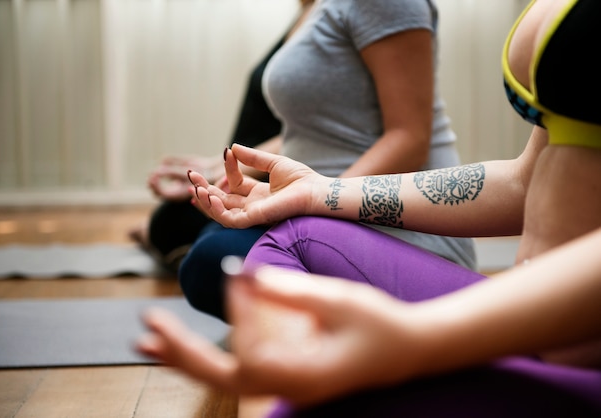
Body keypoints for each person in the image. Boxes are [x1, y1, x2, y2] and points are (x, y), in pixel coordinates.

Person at [137, 0, 601, 416]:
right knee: (288, 242)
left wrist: (418, 337)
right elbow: (525, 182)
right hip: (531, 329)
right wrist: (319, 193)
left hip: (573, 364)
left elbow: (410, 134)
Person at [179, 0, 476, 321]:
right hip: (326, 202)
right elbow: (311, 131)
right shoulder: (317, 7)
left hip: (399, 228)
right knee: (204, 234)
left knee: (213, 260)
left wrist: (317, 198)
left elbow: (409, 139)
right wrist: (218, 169)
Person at [129, 1, 313, 273]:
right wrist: (212, 168)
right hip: (258, 173)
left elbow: (313, 133)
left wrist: (223, 175)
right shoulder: (310, 11)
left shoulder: (342, 13)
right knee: (170, 221)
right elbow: (297, 132)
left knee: (181, 234)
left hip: (281, 177)